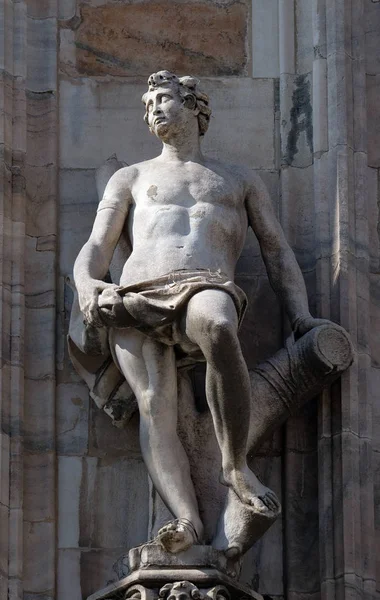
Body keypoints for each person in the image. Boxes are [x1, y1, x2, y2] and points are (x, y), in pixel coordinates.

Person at [73, 71, 326, 552]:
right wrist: (87, 284)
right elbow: (96, 246)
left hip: (205, 285)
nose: (154, 110)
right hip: (137, 292)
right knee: (155, 407)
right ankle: (186, 520)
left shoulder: (236, 178)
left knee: (218, 322)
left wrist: (301, 316)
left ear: (194, 106)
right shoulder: (132, 177)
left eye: (163, 99)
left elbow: (276, 252)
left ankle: (233, 464)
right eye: (148, 104)